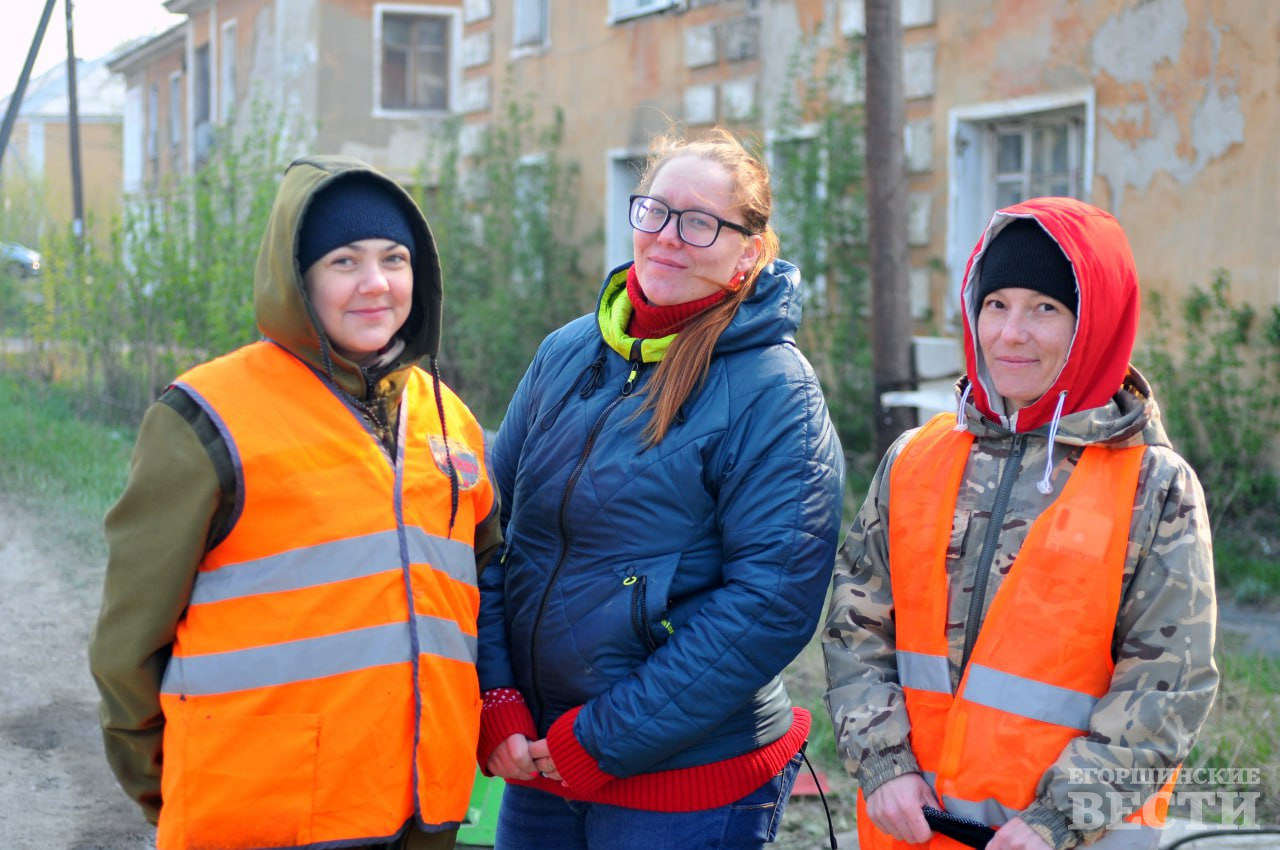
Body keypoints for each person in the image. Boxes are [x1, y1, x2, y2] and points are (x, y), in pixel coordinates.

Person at [88, 155, 500, 850]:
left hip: (422, 816)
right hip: (261, 819)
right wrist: (169, 784)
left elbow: (486, 596)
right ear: (297, 278)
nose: (376, 284)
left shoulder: (448, 417)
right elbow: (127, 647)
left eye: (393, 258)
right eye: (344, 261)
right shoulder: (206, 417)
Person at [475, 128, 846, 849]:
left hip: (682, 789)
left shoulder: (776, 392)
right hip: (543, 766)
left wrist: (603, 740)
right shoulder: (566, 353)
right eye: (655, 211)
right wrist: (498, 697)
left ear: (748, 251)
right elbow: (493, 533)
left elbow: (768, 604)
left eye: (701, 221)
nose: (669, 237)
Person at [823, 196, 1219, 850]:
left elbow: (1164, 693)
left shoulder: (1154, 487)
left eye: (1045, 309)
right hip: (911, 829)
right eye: (996, 303)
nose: (1011, 333)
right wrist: (884, 765)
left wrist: (1055, 822)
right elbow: (856, 624)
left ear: (1094, 324)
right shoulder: (914, 459)